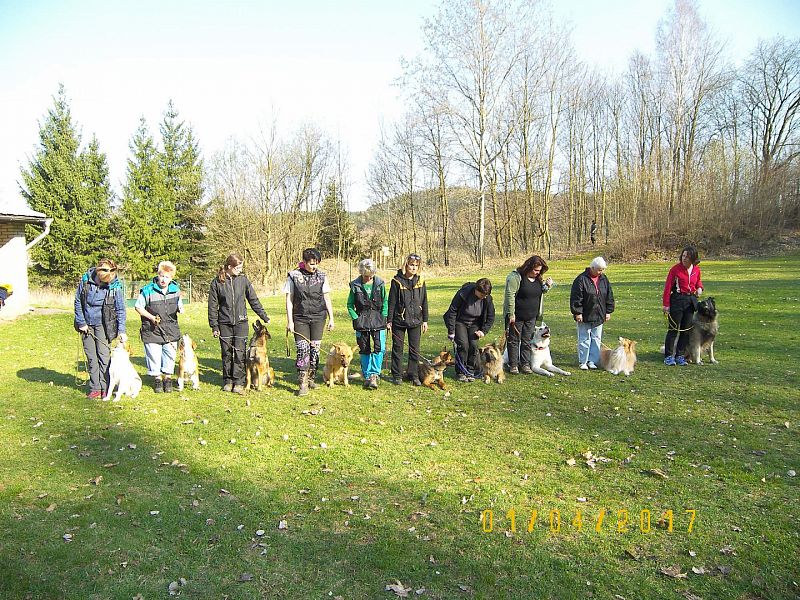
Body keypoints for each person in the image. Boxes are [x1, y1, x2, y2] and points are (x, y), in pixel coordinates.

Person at [208, 253, 271, 394]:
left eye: (241, 267)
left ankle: (239, 381)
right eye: (238, 267)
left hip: (241, 323)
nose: (240, 270)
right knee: (226, 353)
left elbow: (253, 299)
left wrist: (264, 316)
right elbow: (212, 306)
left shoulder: (243, 281)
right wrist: (214, 326)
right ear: (229, 267)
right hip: (224, 323)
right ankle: (228, 380)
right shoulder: (217, 283)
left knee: (240, 352)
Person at [284, 248, 335, 396]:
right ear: (304, 262)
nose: (314, 266)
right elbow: (289, 300)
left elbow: (326, 297)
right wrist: (290, 321)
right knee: (302, 350)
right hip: (300, 318)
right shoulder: (293, 276)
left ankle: (311, 377)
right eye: (312, 264)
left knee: (315, 350)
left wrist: (331, 317)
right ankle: (303, 382)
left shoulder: (322, 276)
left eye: (316, 263)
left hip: (319, 317)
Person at [74, 258, 127, 399]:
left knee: (104, 357)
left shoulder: (115, 288)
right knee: (91, 358)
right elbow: (78, 301)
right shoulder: (85, 281)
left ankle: (106, 387)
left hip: (104, 325)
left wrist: (121, 330)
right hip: (86, 325)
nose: (106, 284)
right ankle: (95, 387)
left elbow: (121, 309)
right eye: (104, 282)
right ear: (98, 274)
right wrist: (81, 322)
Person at [135, 261, 183, 393]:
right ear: (158, 275)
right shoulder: (147, 290)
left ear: (171, 278)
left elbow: (179, 305)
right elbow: (138, 307)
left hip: (171, 329)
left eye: (167, 277)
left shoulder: (176, 290)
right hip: (152, 329)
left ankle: (168, 379)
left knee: (169, 354)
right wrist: (151, 317)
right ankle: (157, 379)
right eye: (162, 276)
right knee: (154, 355)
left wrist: (180, 308)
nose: (163, 279)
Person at [503, 255, 554, 374]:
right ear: (528, 267)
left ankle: (525, 364)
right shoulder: (516, 277)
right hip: (517, 316)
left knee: (527, 340)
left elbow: (540, 291)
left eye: (539, 271)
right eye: (536, 270)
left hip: (532, 316)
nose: (537, 272)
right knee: (514, 340)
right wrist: (511, 314)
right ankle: (513, 364)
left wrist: (547, 286)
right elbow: (510, 295)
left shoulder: (538, 279)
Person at [387, 253, 429, 386]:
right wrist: (389, 321)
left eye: (416, 266)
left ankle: (413, 374)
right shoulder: (396, 281)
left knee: (414, 349)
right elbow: (391, 302)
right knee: (398, 348)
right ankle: (397, 375)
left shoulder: (420, 281)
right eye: (411, 265)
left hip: (416, 320)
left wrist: (425, 320)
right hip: (399, 320)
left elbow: (424, 301)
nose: (414, 268)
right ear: (406, 265)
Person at [444, 277, 495, 382]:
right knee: (463, 345)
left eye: (486, 295)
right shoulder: (463, 293)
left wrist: (483, 331)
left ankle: (470, 370)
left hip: (475, 323)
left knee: (473, 345)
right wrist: (451, 331)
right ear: (476, 290)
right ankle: (461, 372)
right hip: (460, 321)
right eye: (482, 295)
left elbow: (491, 316)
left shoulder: (487, 299)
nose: (484, 297)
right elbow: (452, 311)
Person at [348, 259, 388, 389]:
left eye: (370, 275)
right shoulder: (355, 285)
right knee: (364, 349)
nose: (368, 278)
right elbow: (349, 305)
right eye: (366, 276)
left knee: (379, 348)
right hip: (362, 322)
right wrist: (356, 318)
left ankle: (374, 374)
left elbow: (385, 301)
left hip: (378, 321)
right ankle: (366, 375)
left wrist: (384, 316)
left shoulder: (380, 284)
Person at [570, 256, 615, 370]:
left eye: (602, 270)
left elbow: (609, 295)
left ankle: (592, 360)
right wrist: (577, 312)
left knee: (596, 339)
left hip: (599, 314)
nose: (601, 272)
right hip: (585, 314)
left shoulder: (604, 279)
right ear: (592, 268)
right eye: (599, 269)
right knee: (584, 338)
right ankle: (583, 361)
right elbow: (576, 297)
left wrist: (608, 311)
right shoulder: (581, 279)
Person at [662, 245, 703, 366]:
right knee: (673, 329)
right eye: (683, 256)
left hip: (690, 301)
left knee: (686, 330)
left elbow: (698, 281)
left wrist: (700, 288)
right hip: (677, 300)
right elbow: (668, 287)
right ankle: (669, 356)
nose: (684, 258)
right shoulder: (675, 269)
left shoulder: (696, 270)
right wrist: (666, 304)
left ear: (693, 258)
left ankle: (680, 355)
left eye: (687, 257)